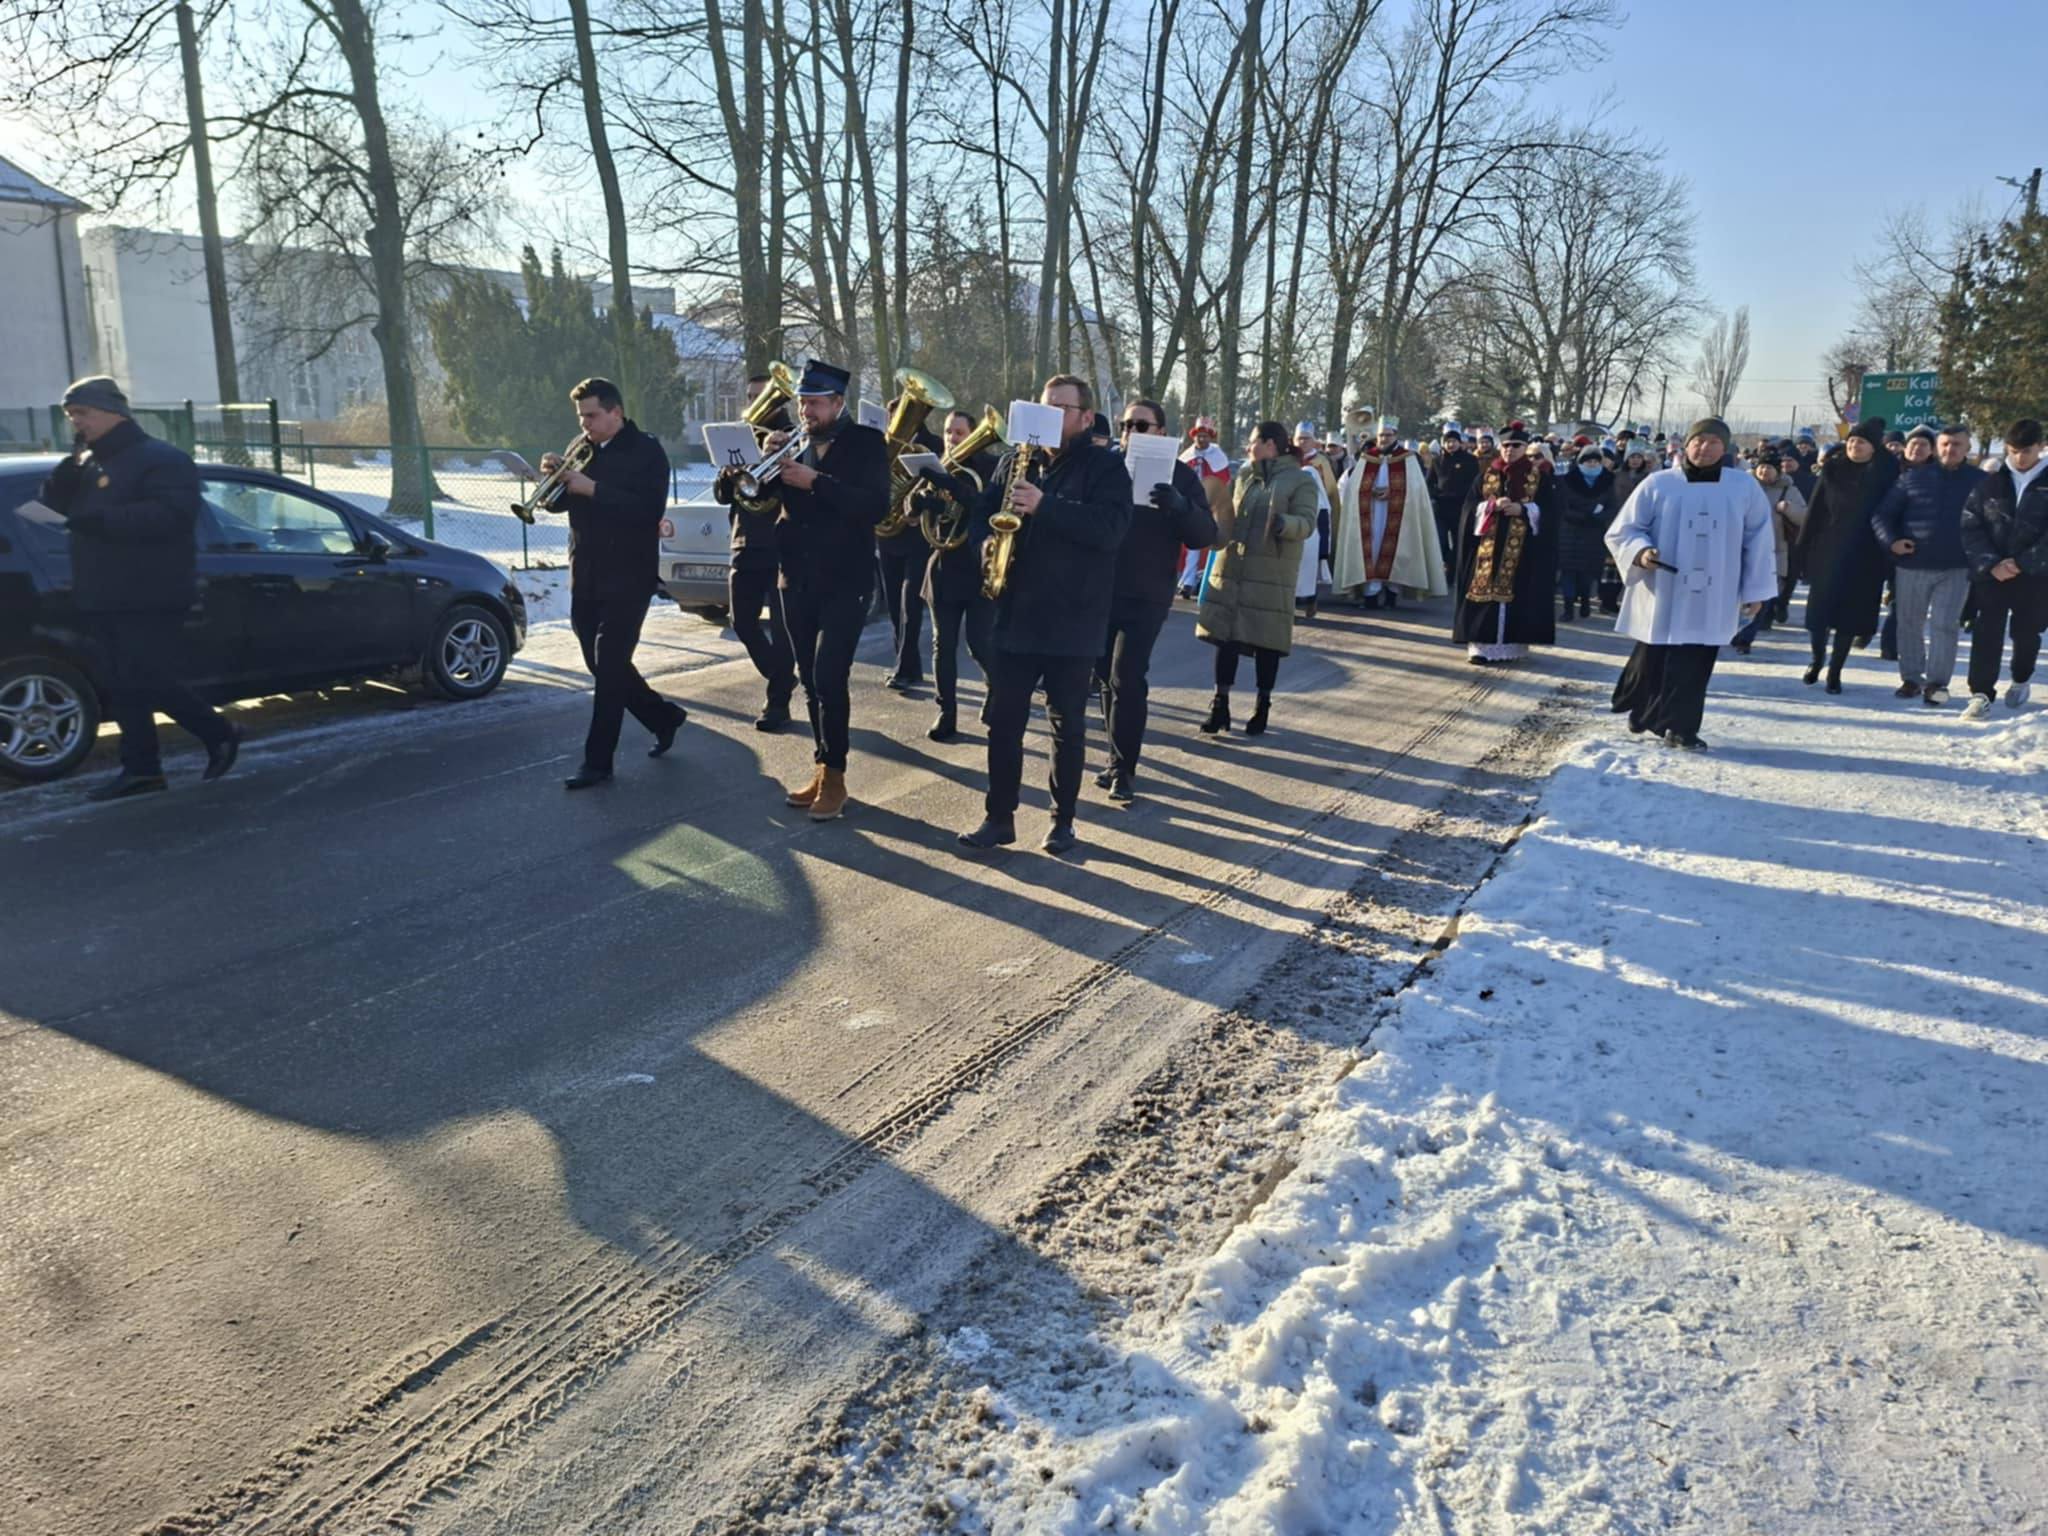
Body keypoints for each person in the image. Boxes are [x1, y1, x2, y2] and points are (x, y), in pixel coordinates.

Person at [37, 375, 238, 800]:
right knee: (121, 684)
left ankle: (218, 731)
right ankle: (142, 770)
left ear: (113, 412)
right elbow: (44, 511)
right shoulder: (87, 463)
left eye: (82, 413)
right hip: (100, 591)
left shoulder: (162, 459)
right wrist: (64, 475)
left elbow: (172, 515)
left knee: (146, 677)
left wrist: (99, 521)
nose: (76, 422)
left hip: (151, 592)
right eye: (71, 415)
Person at [956, 374, 1132, 855]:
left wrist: (1044, 505)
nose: (1049, 415)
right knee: (1004, 722)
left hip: (1074, 616)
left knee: (1066, 725)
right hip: (1016, 611)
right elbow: (982, 514)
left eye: (1060, 408)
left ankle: (1063, 821)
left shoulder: (1106, 467)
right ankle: (999, 817)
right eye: (1044, 406)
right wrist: (984, 544)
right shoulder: (1016, 460)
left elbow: (1111, 529)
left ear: (1085, 418)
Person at [540, 377, 686, 790]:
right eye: (580, 416)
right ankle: (663, 717)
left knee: (608, 668)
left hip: (629, 576)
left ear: (615, 413)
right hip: (586, 573)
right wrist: (555, 479)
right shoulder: (581, 447)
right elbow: (557, 504)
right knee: (601, 664)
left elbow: (648, 510)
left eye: (591, 415)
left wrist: (593, 488)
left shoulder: (647, 451)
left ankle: (597, 762)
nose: (584, 424)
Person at [763, 358, 891, 820]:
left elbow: (875, 506)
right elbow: (752, 497)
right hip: (795, 576)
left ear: (838, 403)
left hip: (845, 578)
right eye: (802, 403)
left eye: (815, 403)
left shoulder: (866, 443)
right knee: (809, 678)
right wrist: (755, 465)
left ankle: (835, 776)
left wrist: (817, 482)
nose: (806, 411)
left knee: (830, 677)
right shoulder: (791, 442)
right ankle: (821, 766)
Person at [1605, 418, 1778, 750]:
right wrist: (1641, 552)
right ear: (1686, 445)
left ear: (1724, 448)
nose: (1705, 448)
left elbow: (1758, 540)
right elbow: (1624, 529)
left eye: (1714, 442)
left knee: (1696, 661)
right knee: (1654, 656)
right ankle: (1643, 707)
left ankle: (1681, 728)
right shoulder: (1659, 484)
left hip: (1716, 590)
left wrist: (1756, 591)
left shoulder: (1743, 487)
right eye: (1699, 441)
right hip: (1664, 586)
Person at [1096, 399, 1217, 800]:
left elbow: (1205, 534)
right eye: (1126, 424)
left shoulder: (1179, 475)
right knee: (1104, 677)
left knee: (1127, 677)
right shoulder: (1106, 466)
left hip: (1146, 593)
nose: (1131, 432)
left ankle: (1123, 769)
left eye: (1141, 425)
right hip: (1101, 589)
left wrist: (1180, 507)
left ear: (1161, 432)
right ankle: (1114, 756)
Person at [1196, 420, 1317, 735]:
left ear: (1270, 445)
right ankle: (1219, 705)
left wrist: (1284, 524)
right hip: (1234, 568)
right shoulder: (1244, 476)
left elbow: (1307, 522)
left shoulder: (1300, 480)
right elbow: (1226, 513)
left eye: (1252, 441)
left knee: (1267, 642)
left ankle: (1262, 706)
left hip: (1270, 574)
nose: (1248, 447)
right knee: (1225, 637)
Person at [1871, 423, 1983, 706]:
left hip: (1957, 566)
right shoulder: (1912, 478)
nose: (1950, 449)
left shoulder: (1980, 481)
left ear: (1968, 448)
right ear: (1936, 448)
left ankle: (1936, 684)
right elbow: (1882, 515)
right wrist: (1892, 542)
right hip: (1913, 564)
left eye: (1957, 444)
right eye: (1945, 444)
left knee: (1945, 624)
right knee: (1909, 622)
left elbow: (1991, 521)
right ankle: (1911, 678)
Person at [1795, 417, 1900, 694]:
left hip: (1865, 555)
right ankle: (1817, 659)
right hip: (1827, 550)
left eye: (1861, 442)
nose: (1854, 446)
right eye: (1851, 441)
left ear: (1873, 447)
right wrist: (1803, 550)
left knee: (1849, 617)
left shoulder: (1886, 473)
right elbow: (1815, 512)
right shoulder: (1833, 469)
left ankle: (1835, 671)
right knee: (1819, 614)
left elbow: (1892, 514)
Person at [918, 407, 999, 741]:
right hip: (943, 569)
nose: (952, 438)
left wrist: (949, 487)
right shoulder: (936, 465)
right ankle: (946, 712)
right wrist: (921, 503)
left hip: (978, 571)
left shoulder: (989, 467)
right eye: (949, 432)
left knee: (979, 643)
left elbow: (986, 507)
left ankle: (996, 687)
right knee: (943, 644)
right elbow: (911, 511)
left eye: (959, 432)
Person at [1958, 418, 2048, 718]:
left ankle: (2021, 677)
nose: (2019, 457)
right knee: (1987, 631)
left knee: (2027, 633)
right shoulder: (1990, 483)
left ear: (2040, 447)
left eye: (2026, 451)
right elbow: (1970, 525)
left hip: (2035, 575)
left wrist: (2022, 562)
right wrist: (1990, 563)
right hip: (1992, 573)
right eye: (2013, 450)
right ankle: (1981, 693)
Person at [725, 371, 797, 730]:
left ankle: (777, 703)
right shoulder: (739, 438)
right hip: (744, 541)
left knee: (783, 630)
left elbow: (795, 490)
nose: (756, 403)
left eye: (764, 396)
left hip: (781, 544)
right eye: (752, 396)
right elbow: (722, 495)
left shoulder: (794, 436)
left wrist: (774, 457)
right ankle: (781, 676)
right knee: (741, 622)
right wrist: (729, 472)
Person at [1453, 422, 1559, 664]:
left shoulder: (1538, 478)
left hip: (1522, 550)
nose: (1510, 450)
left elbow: (1552, 512)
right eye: (1506, 445)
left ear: (1525, 448)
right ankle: (1480, 647)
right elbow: (1468, 508)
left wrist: (1524, 510)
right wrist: (1490, 507)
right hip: (1486, 548)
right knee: (1483, 593)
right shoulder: (1486, 475)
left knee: (1517, 595)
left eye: (1516, 445)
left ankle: (1511, 646)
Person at [1333, 415, 1447, 606]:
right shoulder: (1367, 458)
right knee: (1372, 552)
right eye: (1381, 435)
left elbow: (1417, 490)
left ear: (1395, 435)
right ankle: (1371, 595)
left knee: (1396, 552)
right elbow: (1353, 488)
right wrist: (1369, 491)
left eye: (1388, 435)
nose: (1384, 439)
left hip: (1398, 515)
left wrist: (1394, 492)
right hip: (1371, 514)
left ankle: (1391, 594)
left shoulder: (1408, 459)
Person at [875, 394, 941, 693]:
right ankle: (908, 665)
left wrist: (922, 511)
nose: (896, 423)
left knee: (909, 603)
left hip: (917, 536)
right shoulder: (881, 446)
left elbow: (942, 488)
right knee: (893, 605)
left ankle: (904, 669)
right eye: (893, 417)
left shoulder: (933, 445)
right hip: (888, 534)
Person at [1731, 451, 1806, 649]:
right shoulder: (1743, 486)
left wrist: (1788, 508)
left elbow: (1805, 517)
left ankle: (1746, 637)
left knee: (1762, 595)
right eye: (1761, 466)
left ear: (1778, 471)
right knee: (1738, 594)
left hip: (1775, 551)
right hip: (1741, 548)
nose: (1764, 471)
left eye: (1769, 467)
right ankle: (1734, 631)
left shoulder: (1789, 490)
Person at [1556, 443, 1617, 622]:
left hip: (1594, 533)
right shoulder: (1568, 479)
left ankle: (1584, 601)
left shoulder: (1608, 481)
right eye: (1588, 461)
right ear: (1581, 462)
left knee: (1587, 574)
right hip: (1570, 532)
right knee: (1568, 573)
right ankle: (1568, 608)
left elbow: (1613, 506)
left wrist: (1598, 517)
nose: (1592, 464)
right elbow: (1562, 506)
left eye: (1595, 461)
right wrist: (1582, 516)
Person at [1177, 416, 1232, 597]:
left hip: (1211, 506)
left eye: (1205, 436)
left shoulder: (1218, 457)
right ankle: (1187, 581)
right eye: (1199, 436)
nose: (1201, 439)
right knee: (1190, 544)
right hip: (1190, 504)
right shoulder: (1187, 456)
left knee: (1207, 545)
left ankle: (1198, 581)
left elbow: (1222, 482)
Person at [1292, 422, 1339, 618]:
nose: (1302, 442)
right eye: (1299, 439)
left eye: (1306, 439)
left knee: (1310, 567)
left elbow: (1328, 491)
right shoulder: (1289, 460)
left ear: (1313, 441)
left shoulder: (1320, 462)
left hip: (1314, 516)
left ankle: (1311, 599)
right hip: (1294, 516)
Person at [1428, 425, 1481, 572]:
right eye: (1448, 441)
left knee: (1459, 540)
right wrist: (1434, 495)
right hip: (1441, 507)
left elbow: (1475, 483)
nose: (1451, 444)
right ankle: (1447, 561)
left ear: (1460, 442)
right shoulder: (1437, 461)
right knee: (1440, 539)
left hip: (1461, 507)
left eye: (1454, 441)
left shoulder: (1470, 460)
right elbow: (1429, 482)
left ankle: (1453, 568)